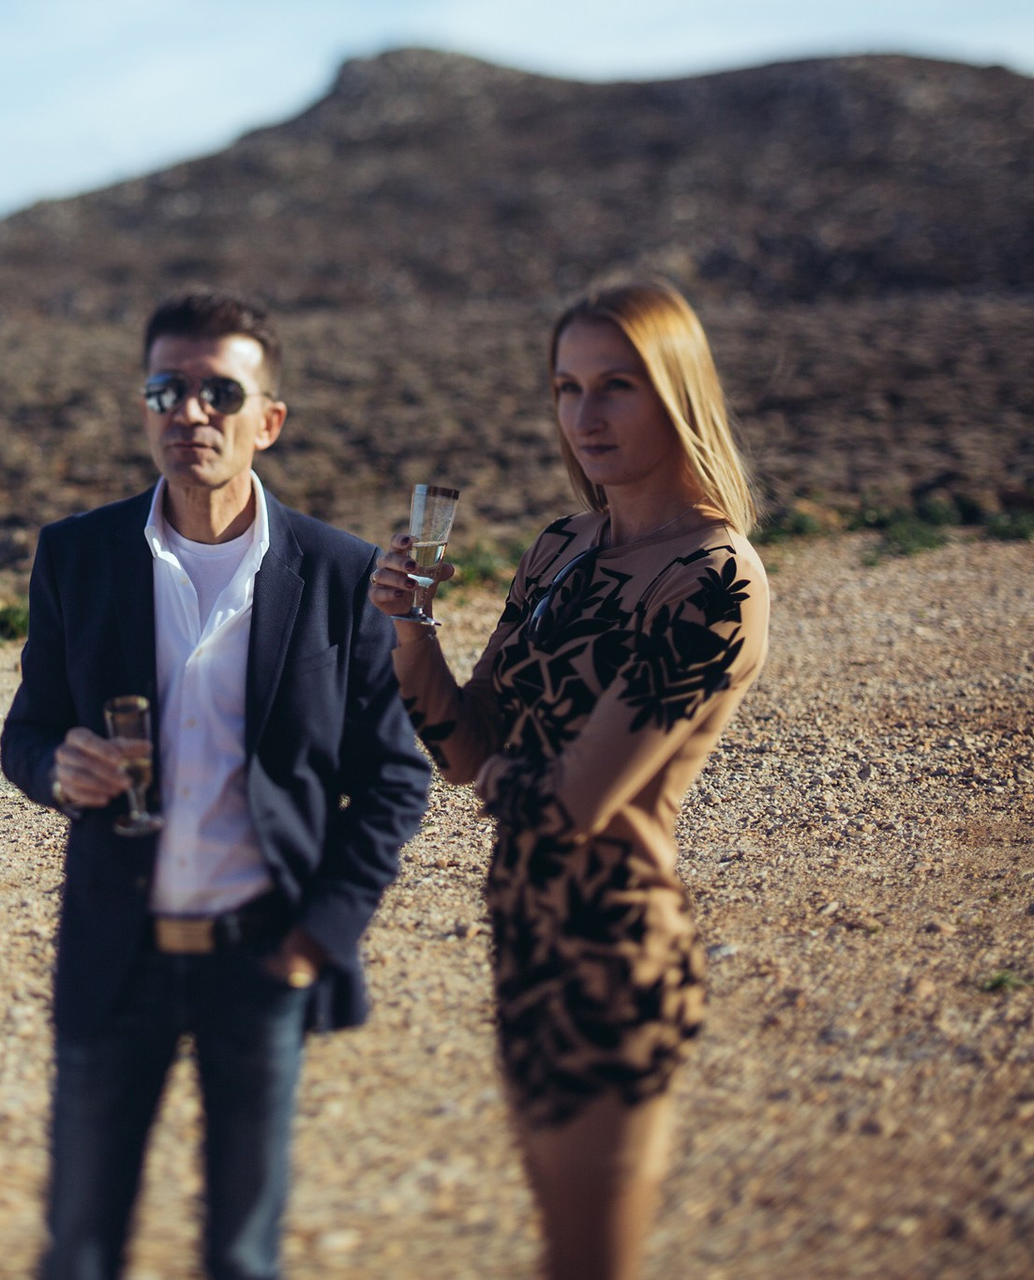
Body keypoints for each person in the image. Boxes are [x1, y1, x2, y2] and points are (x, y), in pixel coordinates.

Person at [2, 292, 432, 1280]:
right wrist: (56, 767)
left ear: (267, 420)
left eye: (218, 392)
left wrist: (322, 934)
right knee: (80, 1246)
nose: (189, 411)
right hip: (116, 951)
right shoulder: (77, 556)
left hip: (263, 954)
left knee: (242, 1251)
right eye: (167, 390)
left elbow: (395, 777)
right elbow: (27, 731)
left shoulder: (342, 574)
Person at [371, 280, 770, 1280]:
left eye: (616, 386)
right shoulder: (561, 547)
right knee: (560, 1253)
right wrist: (410, 632)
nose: (585, 415)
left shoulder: (715, 579)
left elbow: (570, 805)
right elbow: (467, 752)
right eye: (567, 387)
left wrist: (508, 772)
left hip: (613, 953)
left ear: (677, 391)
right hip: (523, 936)